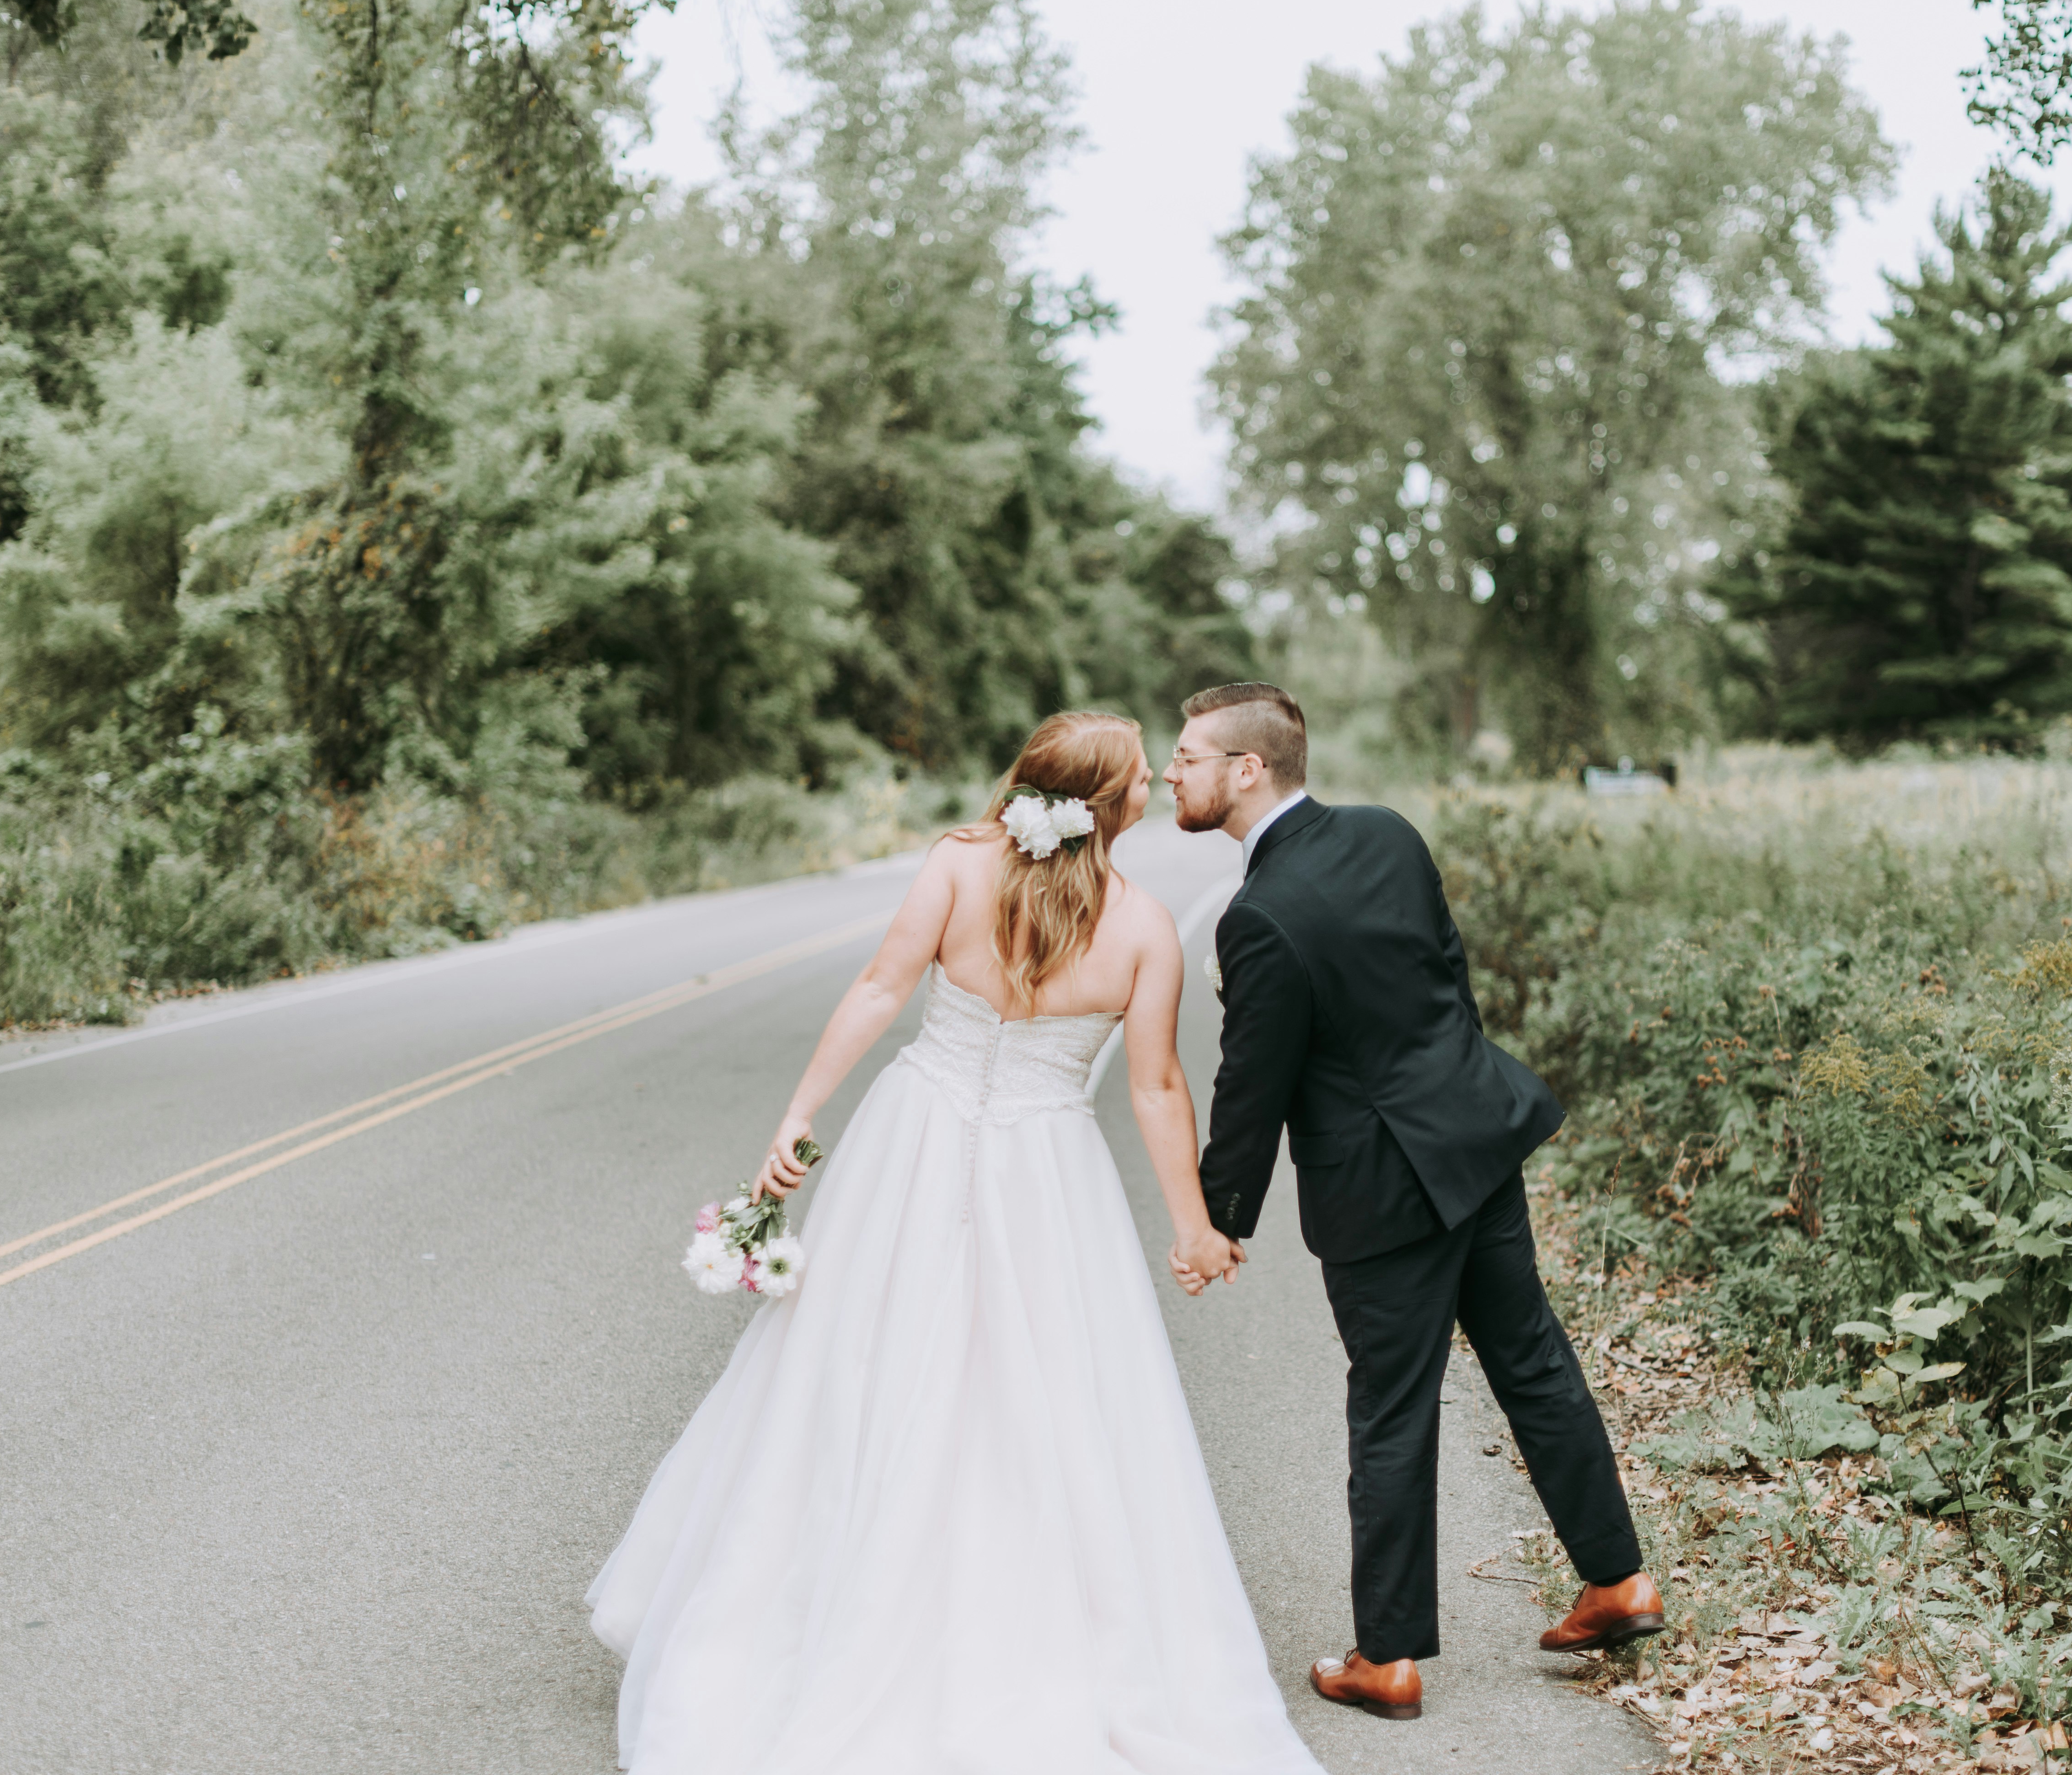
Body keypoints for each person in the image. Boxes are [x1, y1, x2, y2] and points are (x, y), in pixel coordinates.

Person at [587, 711, 1321, 1775]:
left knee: (855, 1368)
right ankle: (1029, 1629)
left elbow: (882, 988)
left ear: (1028, 785)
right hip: (1046, 1172)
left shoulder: (958, 865)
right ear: (1111, 809)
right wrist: (1195, 1229)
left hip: (913, 1141)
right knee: (1044, 1396)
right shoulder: (1146, 927)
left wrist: (797, 1117)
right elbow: (1157, 1087)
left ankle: (810, 1606)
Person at [1165, 682, 1659, 1724]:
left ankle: (1385, 1658)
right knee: (1531, 1358)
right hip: (1474, 1138)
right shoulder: (1388, 835)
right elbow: (1446, 979)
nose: (1171, 770)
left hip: (1379, 1187)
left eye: (1186, 754)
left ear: (1245, 771)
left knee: (1390, 1409)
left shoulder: (1258, 916)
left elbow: (1249, 1088)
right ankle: (1618, 1582)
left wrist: (1218, 1219)